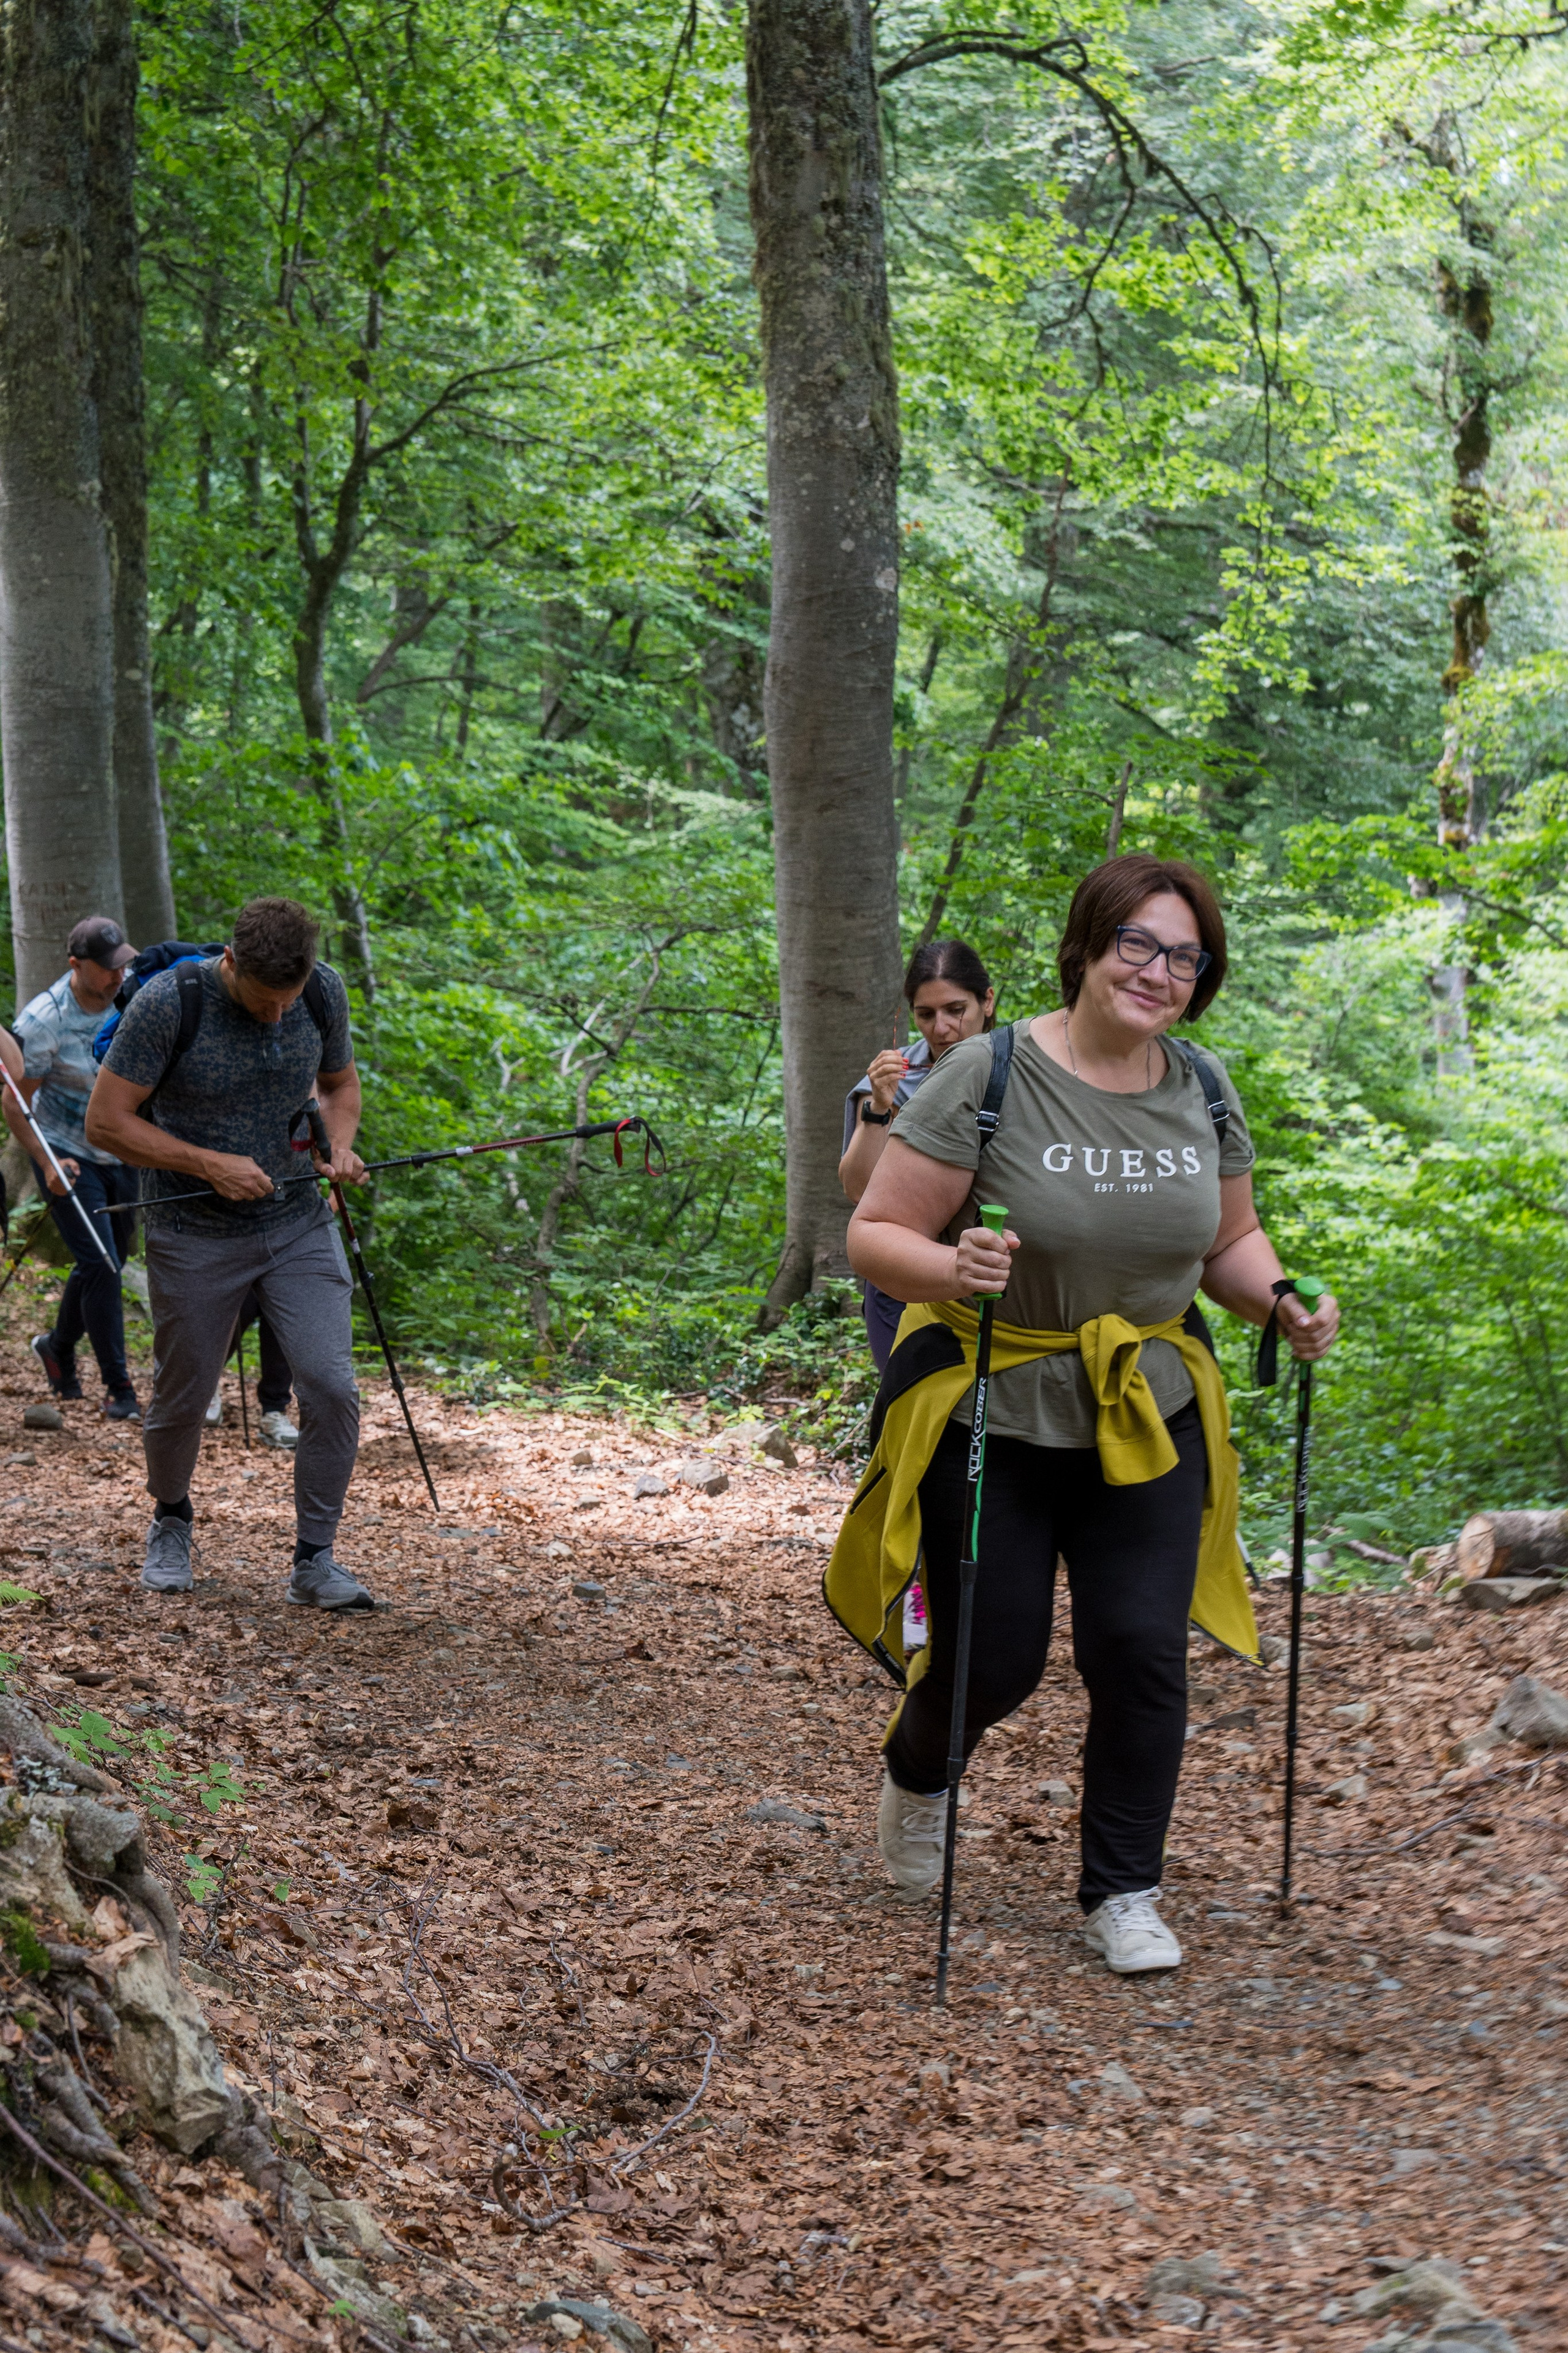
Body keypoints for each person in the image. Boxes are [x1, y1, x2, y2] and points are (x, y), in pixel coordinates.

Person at [827, 853, 1341, 1976]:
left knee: (1143, 1650)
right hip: (996, 1405)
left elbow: (1227, 1246)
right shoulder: (991, 1074)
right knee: (990, 1661)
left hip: (1144, 1405)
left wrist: (1284, 1298)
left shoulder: (1201, 1086)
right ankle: (920, 1774)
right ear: (1091, 946)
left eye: (1185, 956)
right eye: (1139, 946)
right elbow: (875, 1232)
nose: (1160, 972)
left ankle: (1123, 1890)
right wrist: (950, 1263)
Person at [85, 896, 375, 1608]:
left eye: (291, 999)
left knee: (331, 1386)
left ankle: (314, 1559)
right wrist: (207, 1162)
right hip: (194, 1233)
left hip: (297, 1219)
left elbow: (339, 1086)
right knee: (183, 1396)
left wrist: (337, 1145)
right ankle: (172, 1518)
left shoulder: (324, 988)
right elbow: (105, 1122)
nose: (278, 1014)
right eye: (264, 1000)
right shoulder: (167, 1004)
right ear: (231, 963)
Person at [6, 918, 143, 1419]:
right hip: (69, 1154)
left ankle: (57, 1346)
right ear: (75, 965)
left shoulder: (133, 999)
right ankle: (120, 1389)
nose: (117, 976)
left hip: (123, 1152)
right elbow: (16, 1101)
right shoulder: (45, 1021)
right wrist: (46, 1161)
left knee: (109, 1262)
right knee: (103, 1266)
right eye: (107, 968)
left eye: (122, 964)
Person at [839, 940, 996, 1373]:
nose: (941, 1027)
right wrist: (879, 1106)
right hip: (904, 1282)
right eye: (925, 1014)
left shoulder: (1019, 1069)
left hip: (991, 1275)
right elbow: (857, 1189)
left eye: (955, 1009)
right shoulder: (890, 1079)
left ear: (987, 1000)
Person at [204, 1291, 300, 1449]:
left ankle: (273, 1411)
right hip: (234, 1270)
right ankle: (205, 1384)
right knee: (237, 1310)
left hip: (283, 1269)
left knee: (281, 1319)